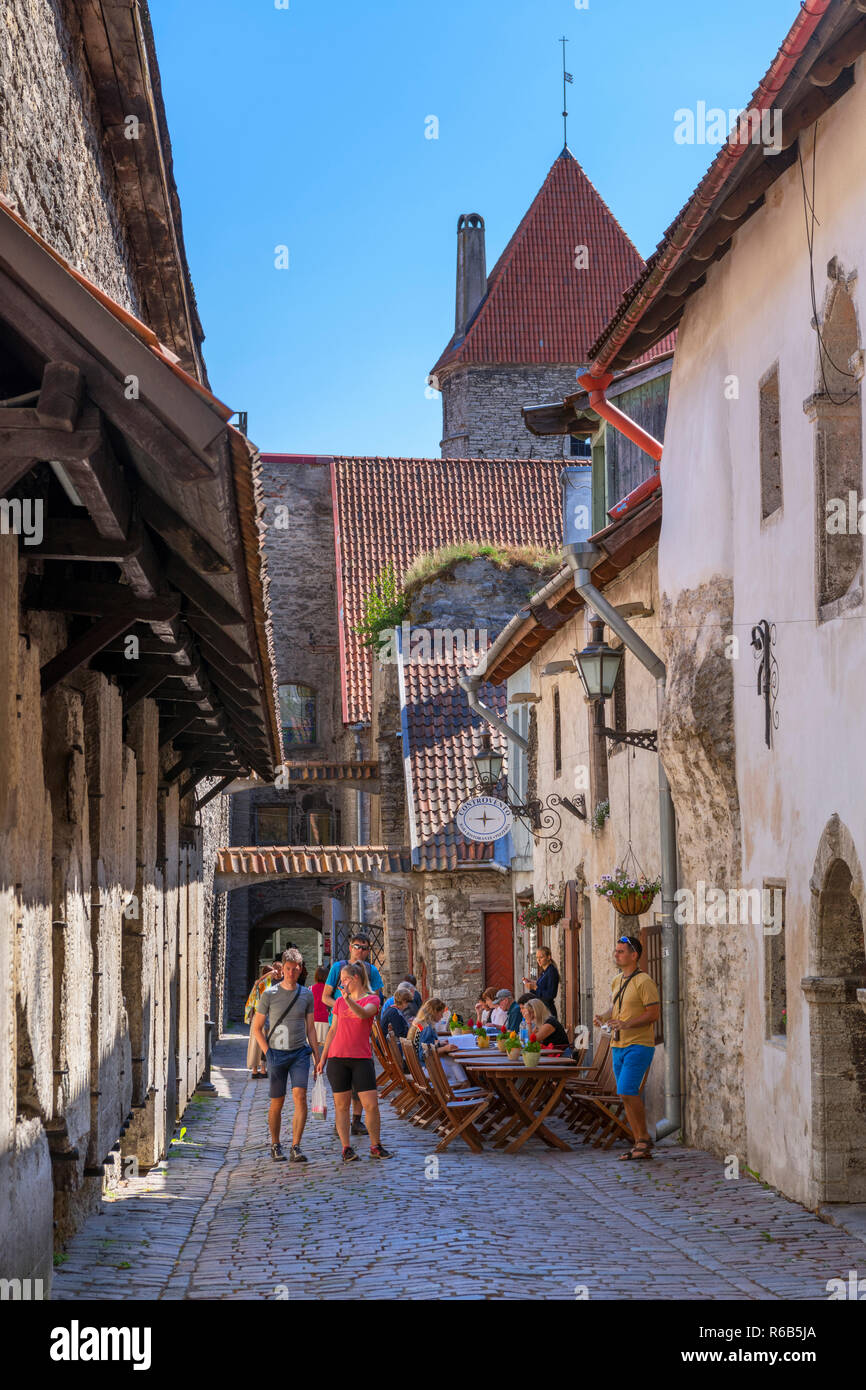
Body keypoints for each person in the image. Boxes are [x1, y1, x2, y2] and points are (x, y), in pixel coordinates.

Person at [316, 962, 392, 1161]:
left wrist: (348, 1000)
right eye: (341, 981)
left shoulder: (372, 999)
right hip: (337, 1059)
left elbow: (363, 1013)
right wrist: (322, 1058)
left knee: (371, 1105)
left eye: (345, 980)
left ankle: (375, 1145)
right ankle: (346, 1148)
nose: (342, 984)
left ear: (356, 978)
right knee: (341, 1106)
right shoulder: (340, 1003)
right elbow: (332, 1031)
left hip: (361, 1059)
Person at [594, 934, 660, 1161]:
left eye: (621, 951)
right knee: (625, 1094)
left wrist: (626, 1023)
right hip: (617, 1043)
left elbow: (653, 1013)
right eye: (616, 951)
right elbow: (616, 1008)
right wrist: (603, 1017)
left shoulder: (645, 982)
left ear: (634, 955)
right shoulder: (617, 980)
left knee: (627, 1090)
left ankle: (643, 1139)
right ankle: (639, 1140)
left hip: (639, 1044)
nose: (616, 954)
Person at [252, 948, 320, 1164]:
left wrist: (317, 1056)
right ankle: (275, 1143)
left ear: (300, 970)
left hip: (299, 1053)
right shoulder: (269, 994)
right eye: (288, 969)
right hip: (276, 1054)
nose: (291, 973)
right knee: (277, 1102)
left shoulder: (306, 994)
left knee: (300, 1096)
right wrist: (267, 1053)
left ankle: (296, 1146)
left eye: (294, 969)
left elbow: (310, 1028)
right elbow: (257, 1027)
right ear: (283, 969)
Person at [322, 934, 384, 1136]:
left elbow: (377, 997)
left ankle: (357, 1120)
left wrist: (355, 1007)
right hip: (339, 1028)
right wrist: (343, 1008)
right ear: (350, 947)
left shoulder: (371, 971)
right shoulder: (337, 967)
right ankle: (343, 1126)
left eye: (366, 948)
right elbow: (325, 996)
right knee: (342, 1089)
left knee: (361, 1087)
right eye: (358, 946)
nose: (361, 951)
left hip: (359, 1031)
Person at [408, 999, 468, 1088]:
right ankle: (463, 1087)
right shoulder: (427, 1028)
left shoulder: (422, 1024)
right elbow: (423, 1054)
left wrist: (440, 1044)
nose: (442, 1016)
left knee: (452, 1062)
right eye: (441, 1013)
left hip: (417, 1067)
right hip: (424, 1068)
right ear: (435, 1012)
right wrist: (445, 1049)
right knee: (454, 1063)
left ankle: (461, 1086)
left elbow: (424, 1045)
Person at [245, 960, 282, 1079]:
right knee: (260, 1043)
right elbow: (258, 982)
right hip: (261, 1017)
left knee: (260, 1044)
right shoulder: (262, 985)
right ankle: (259, 1070)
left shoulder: (265, 986)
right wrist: (270, 973)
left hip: (261, 1016)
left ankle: (260, 1070)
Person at [523, 947, 560, 1017]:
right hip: (541, 1009)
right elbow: (540, 988)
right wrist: (532, 984)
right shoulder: (544, 972)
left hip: (547, 1010)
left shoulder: (551, 972)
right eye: (537, 958)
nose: (538, 960)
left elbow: (551, 995)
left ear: (548, 957)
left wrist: (534, 987)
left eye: (541, 957)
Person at [311, 964, 330, 1047]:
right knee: (327, 1048)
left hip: (314, 1020)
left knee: (314, 1047)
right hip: (327, 1020)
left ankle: (316, 1060)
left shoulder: (310, 988)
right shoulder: (330, 990)